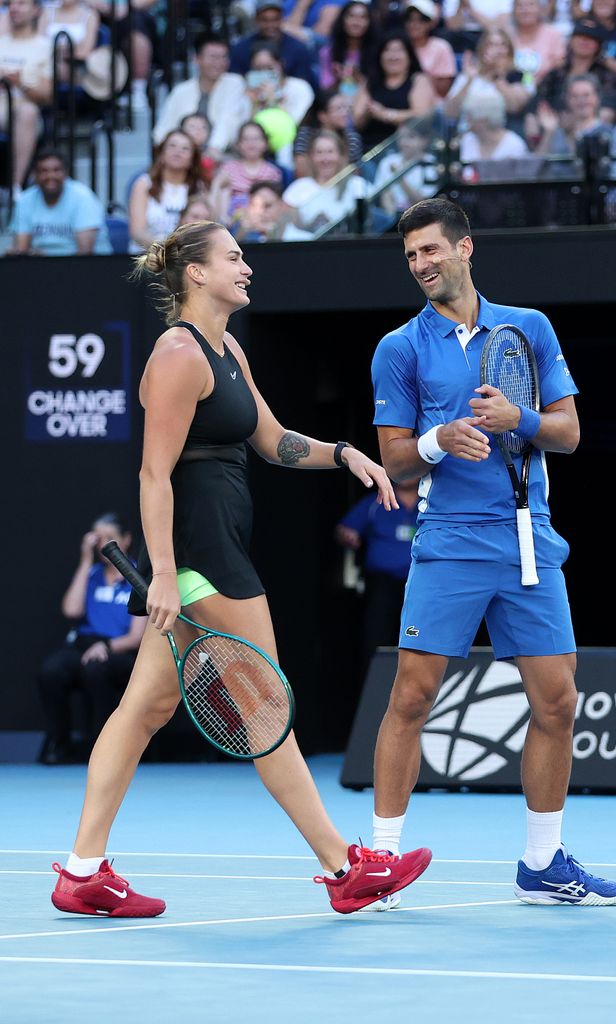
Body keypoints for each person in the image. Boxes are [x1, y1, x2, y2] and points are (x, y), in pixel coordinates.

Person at [50, 218, 432, 918]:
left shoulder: (226, 348)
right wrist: (163, 571)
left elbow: (274, 440)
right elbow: (153, 474)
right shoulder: (176, 354)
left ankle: (83, 871)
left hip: (214, 545)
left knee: (145, 708)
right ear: (197, 272)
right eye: (234, 256)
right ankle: (345, 868)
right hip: (202, 555)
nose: (246, 266)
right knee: (265, 708)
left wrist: (343, 453)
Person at [367, 195, 616, 909]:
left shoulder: (531, 329)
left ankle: (542, 862)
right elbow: (393, 462)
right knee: (412, 695)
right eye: (410, 255)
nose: (420, 264)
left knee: (558, 702)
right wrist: (439, 439)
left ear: (465, 248)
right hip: (449, 543)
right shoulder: (399, 349)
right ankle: (381, 864)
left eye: (430, 250)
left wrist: (518, 418)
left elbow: (569, 433)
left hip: (528, 541)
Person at [38, 514, 145, 765]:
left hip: (119, 650)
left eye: (110, 538)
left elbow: (136, 637)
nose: (102, 545)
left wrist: (106, 647)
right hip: (85, 644)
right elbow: (71, 611)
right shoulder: (92, 573)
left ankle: (102, 749)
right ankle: (60, 744)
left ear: (126, 540)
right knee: (51, 671)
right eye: (98, 539)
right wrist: (85, 561)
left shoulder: (136, 577)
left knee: (95, 671)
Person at [336, 478, 420, 681]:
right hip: (383, 585)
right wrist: (347, 536)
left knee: (419, 642)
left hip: (421, 588)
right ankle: (374, 687)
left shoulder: (434, 502)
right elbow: (343, 529)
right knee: (377, 637)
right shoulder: (375, 503)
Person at [152, 34, 250, 157]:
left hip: (224, 155)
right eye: (213, 57)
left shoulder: (235, 82)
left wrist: (213, 150)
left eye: (224, 57)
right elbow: (163, 130)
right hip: (184, 157)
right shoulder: (181, 90)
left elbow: (229, 120)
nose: (219, 63)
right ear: (197, 59)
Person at [9, 148, 113, 255]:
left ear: (66, 173)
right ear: (35, 175)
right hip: (41, 266)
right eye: (44, 171)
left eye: (56, 170)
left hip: (86, 267)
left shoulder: (83, 197)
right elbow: (22, 249)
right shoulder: (25, 199)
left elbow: (85, 252)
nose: (50, 176)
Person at [352, 31, 437, 151]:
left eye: (399, 50)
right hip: (370, 151)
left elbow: (421, 116)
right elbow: (356, 121)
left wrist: (386, 114)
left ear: (409, 55)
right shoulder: (370, 82)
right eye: (387, 50)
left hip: (407, 150)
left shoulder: (418, 80)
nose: (393, 56)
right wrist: (368, 112)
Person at [0, 0, 52, 191]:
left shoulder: (45, 46)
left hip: (22, 108)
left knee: (28, 112)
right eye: (11, 4)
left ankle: (16, 188)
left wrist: (19, 83)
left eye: (21, 3)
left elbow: (48, 96)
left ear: (36, 10)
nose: (14, 8)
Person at [128, 130, 206, 253]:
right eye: (172, 146)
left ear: (192, 159)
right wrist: (167, 249)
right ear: (161, 153)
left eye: (185, 149)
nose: (178, 152)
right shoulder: (143, 184)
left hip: (185, 260)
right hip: (147, 258)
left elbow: (207, 229)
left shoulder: (199, 187)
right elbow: (137, 232)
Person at [444, 26, 533, 131]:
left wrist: (497, 76)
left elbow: (515, 108)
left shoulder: (522, 76)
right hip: (467, 134)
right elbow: (449, 114)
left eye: (502, 45)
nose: (497, 50)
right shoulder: (468, 75)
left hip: (502, 135)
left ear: (510, 50)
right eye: (491, 44)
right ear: (482, 49)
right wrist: (469, 81)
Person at [282, 129, 365, 232]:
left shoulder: (357, 185)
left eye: (330, 152)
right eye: (319, 152)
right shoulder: (298, 188)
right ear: (311, 157)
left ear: (341, 155)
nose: (325, 159)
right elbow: (288, 230)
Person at [229, 0, 317, 88]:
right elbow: (235, 82)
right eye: (264, 20)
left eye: (275, 19)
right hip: (249, 97)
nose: (270, 25)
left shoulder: (298, 49)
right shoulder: (240, 48)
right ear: (256, 20)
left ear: (282, 19)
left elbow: (303, 84)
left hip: (290, 98)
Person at [209, 121, 283, 225]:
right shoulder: (228, 168)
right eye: (246, 139)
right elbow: (217, 196)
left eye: (256, 139)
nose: (251, 143)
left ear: (265, 143)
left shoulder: (273, 172)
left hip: (262, 222)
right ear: (238, 144)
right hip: (231, 222)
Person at [372, 120, 439, 215]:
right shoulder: (387, 162)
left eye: (411, 137)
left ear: (424, 140)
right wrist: (392, 221)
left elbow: (423, 202)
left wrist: (399, 176)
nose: (404, 142)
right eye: (401, 137)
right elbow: (384, 195)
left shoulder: (430, 163)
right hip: (393, 218)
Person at [293, 88, 363, 177]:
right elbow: (301, 170)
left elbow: (355, 172)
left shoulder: (352, 137)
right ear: (322, 116)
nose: (345, 112)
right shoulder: (306, 135)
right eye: (339, 108)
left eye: (347, 107)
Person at [318, 0, 377, 93]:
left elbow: (381, 91)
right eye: (351, 16)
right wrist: (338, 79)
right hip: (337, 103)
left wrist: (357, 77)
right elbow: (324, 90)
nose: (356, 22)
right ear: (342, 20)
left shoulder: (378, 52)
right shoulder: (328, 52)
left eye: (363, 17)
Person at [404, 0, 457, 98]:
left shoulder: (441, 47)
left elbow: (443, 90)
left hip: (431, 105)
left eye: (421, 20)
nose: (414, 24)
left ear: (431, 23)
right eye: (409, 19)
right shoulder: (399, 46)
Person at [508, 0, 565, 86]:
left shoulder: (553, 34)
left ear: (540, 9)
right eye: (520, 6)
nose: (525, 10)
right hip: (511, 87)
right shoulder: (507, 35)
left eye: (531, 5)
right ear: (513, 11)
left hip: (546, 88)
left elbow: (559, 65)